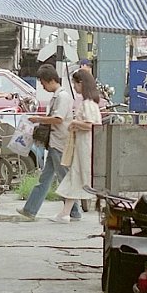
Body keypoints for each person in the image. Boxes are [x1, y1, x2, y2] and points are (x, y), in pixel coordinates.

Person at [16, 65, 82, 221]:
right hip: (54, 142)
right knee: (46, 179)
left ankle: (74, 212)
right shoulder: (57, 97)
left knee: (63, 178)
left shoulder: (63, 97)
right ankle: (30, 210)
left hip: (60, 143)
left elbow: (58, 119)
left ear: (51, 80)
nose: (43, 86)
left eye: (43, 83)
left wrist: (38, 119)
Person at [51, 69, 102, 223]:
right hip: (84, 145)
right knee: (76, 176)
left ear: (81, 83)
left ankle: (65, 213)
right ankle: (65, 213)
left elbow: (91, 124)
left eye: (75, 83)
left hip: (85, 146)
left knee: (78, 176)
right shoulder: (90, 103)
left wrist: (74, 123)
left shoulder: (87, 104)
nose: (74, 87)